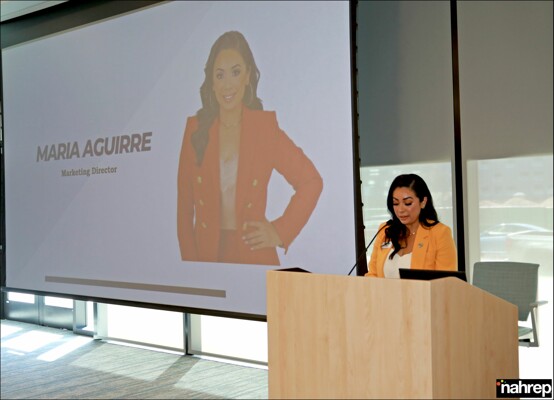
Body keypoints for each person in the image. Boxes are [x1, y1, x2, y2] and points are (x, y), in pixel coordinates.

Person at [177, 31, 323, 266]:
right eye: (220, 75)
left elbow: (311, 181)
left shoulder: (264, 129)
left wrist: (280, 230)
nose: (227, 84)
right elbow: (184, 210)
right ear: (212, 82)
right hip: (206, 256)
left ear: (247, 76)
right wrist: (191, 269)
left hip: (253, 255)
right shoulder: (195, 130)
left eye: (235, 72)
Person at [365, 174, 457, 278]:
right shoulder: (385, 230)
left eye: (408, 203)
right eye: (395, 203)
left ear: (423, 202)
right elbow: (372, 275)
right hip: (384, 290)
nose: (400, 210)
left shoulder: (440, 233)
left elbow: (446, 282)